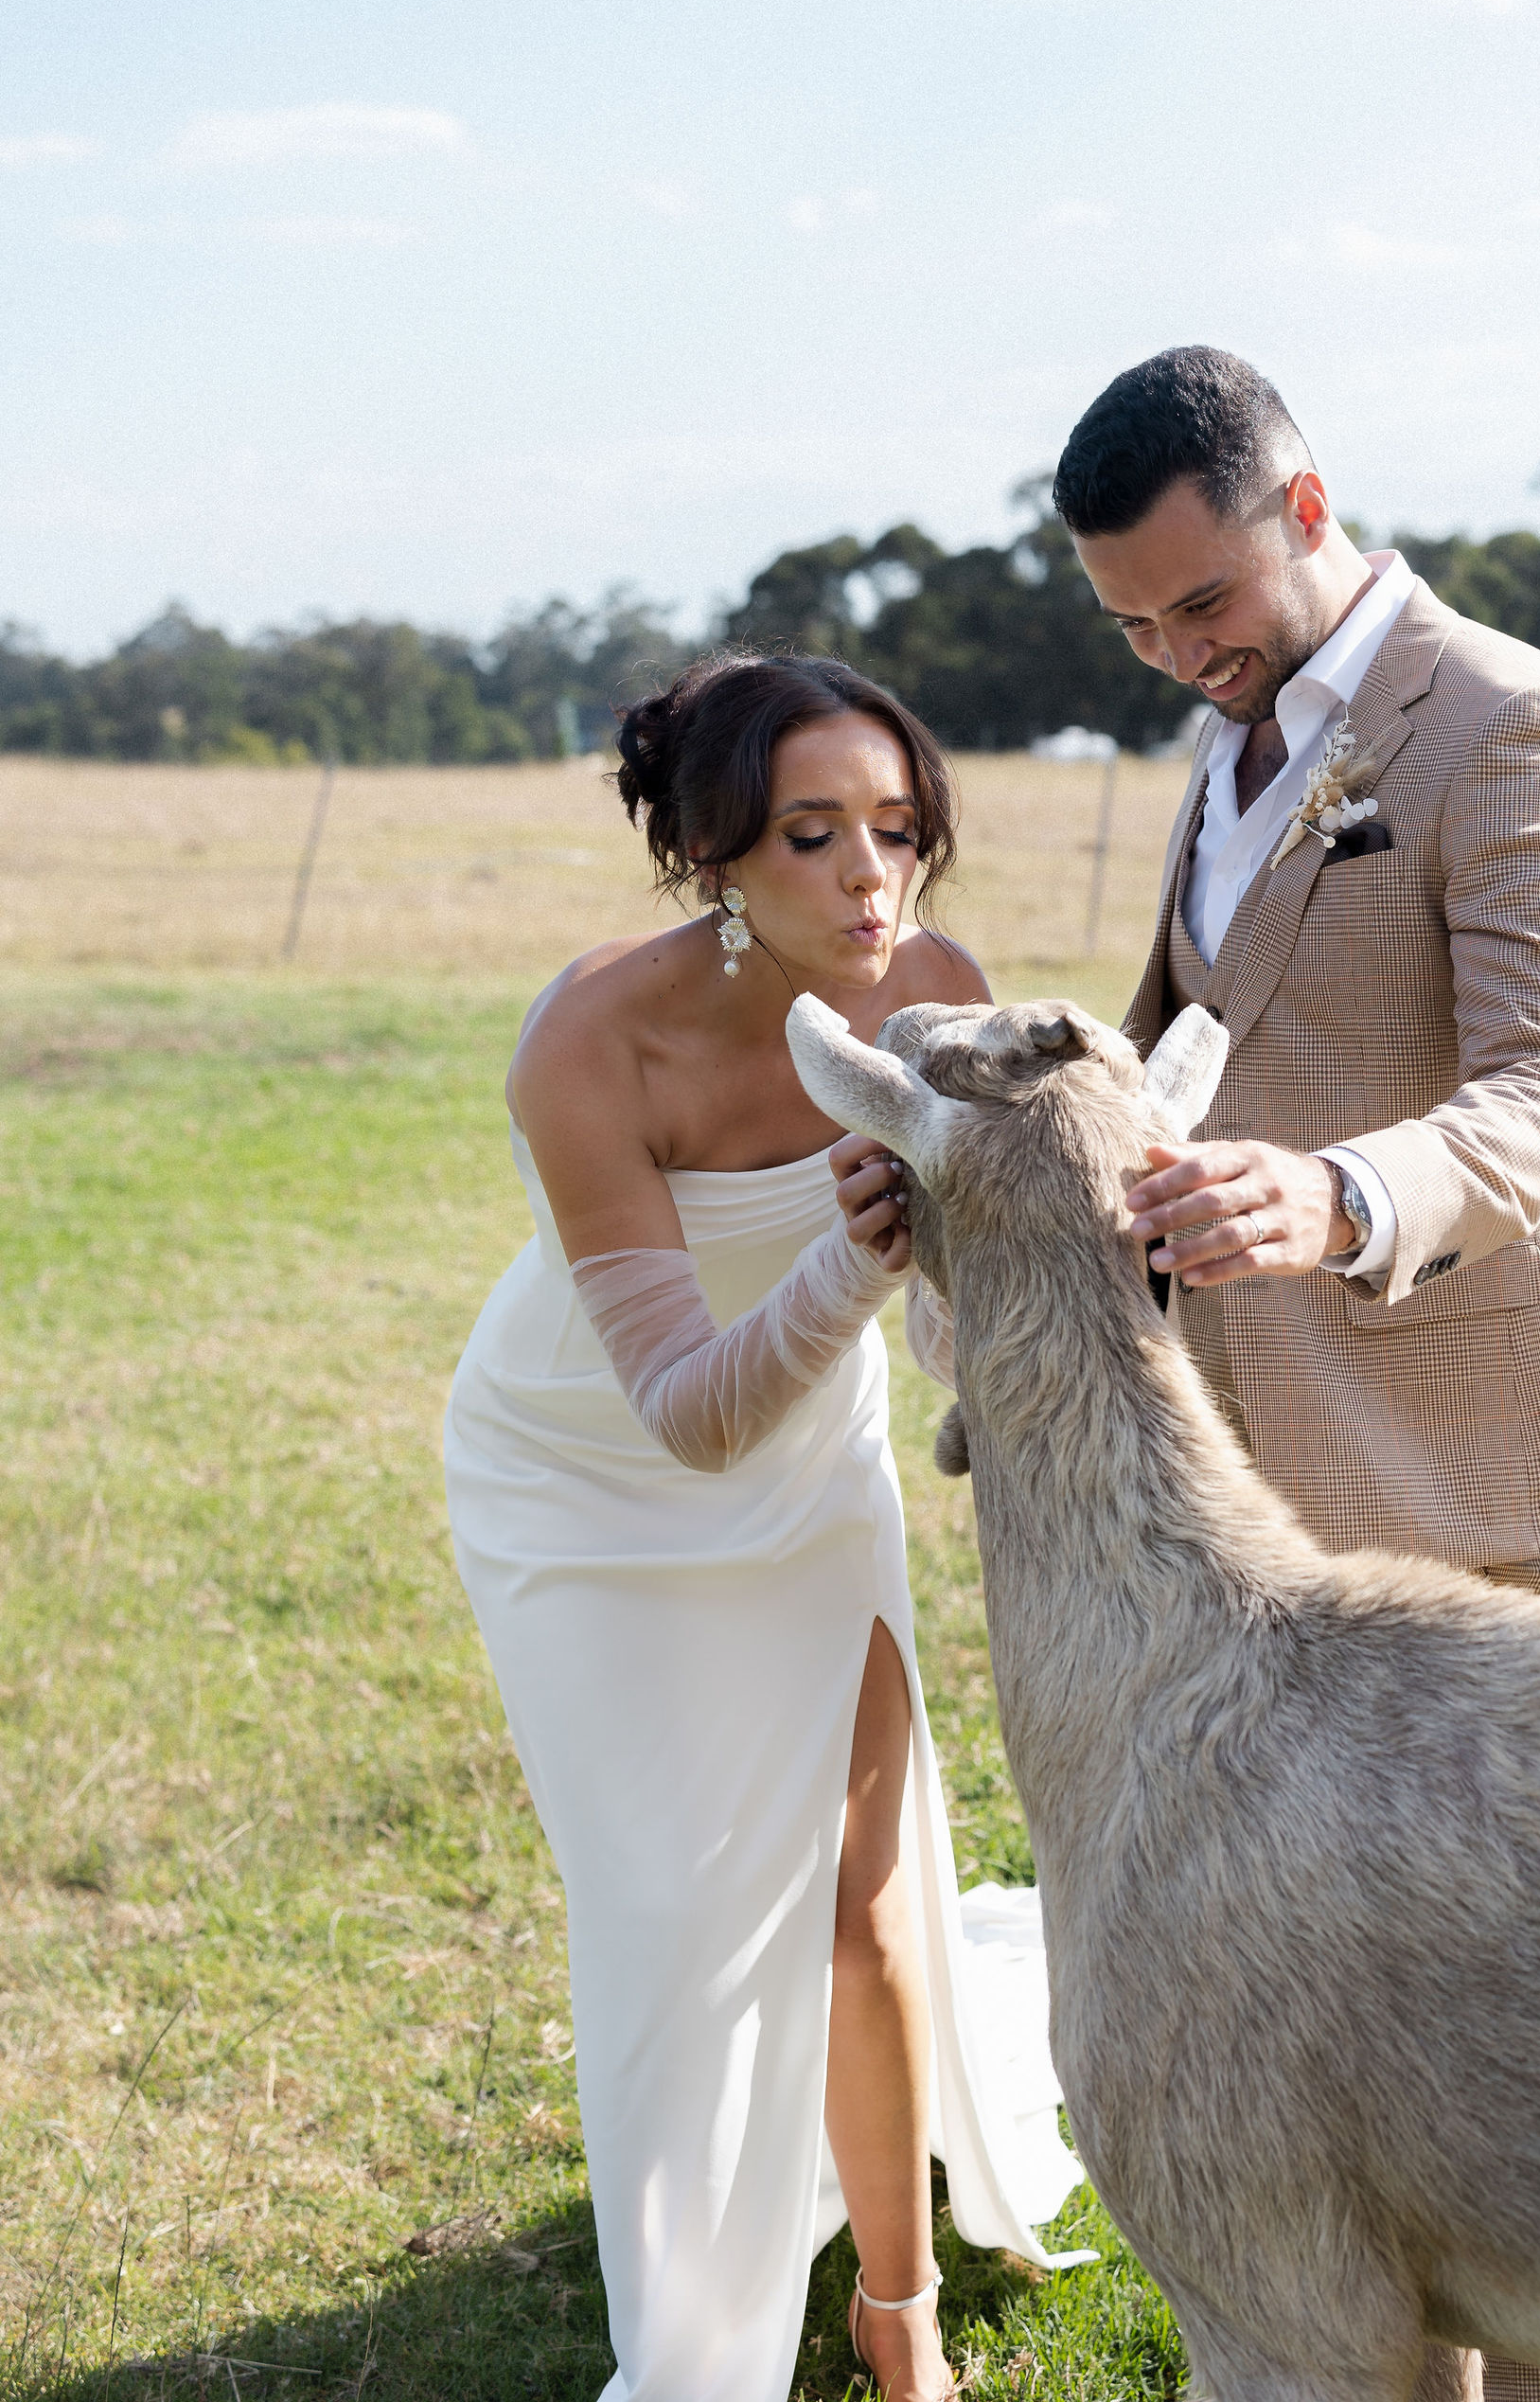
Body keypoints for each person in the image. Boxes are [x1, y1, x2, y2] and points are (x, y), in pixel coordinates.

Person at [1054, 345, 1540, 2402]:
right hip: (1260, 1472)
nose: (1175, 656)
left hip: (1450, 1455)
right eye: (1132, 629)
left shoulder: (1511, 725)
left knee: (1495, 2052)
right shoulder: (1232, 732)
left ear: (1308, 509)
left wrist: (1332, 1196)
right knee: (1352, 2044)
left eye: (1200, 604)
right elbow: (1205, 1036)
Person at [442, 650, 1084, 2402]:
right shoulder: (592, 1038)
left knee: (865, 1908)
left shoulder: (937, 997)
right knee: (666, 1917)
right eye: (813, 836)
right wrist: (852, 1261)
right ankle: (696, 2332)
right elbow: (685, 1410)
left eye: (898, 827)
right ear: (717, 857)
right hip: (582, 1485)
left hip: (812, 1476)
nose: (872, 877)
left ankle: (900, 2314)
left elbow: (951, 1321)